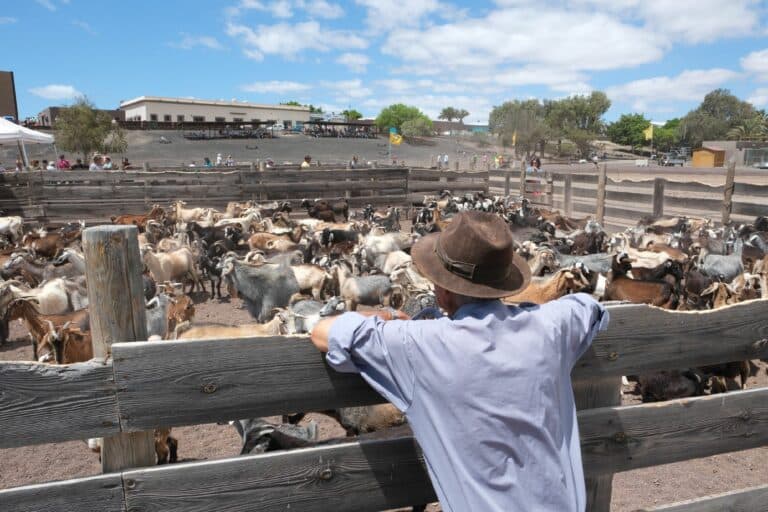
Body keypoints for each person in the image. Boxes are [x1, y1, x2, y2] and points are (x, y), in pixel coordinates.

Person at [310, 211, 608, 512]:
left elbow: (322, 331)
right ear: (504, 281)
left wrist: (387, 315)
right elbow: (589, 307)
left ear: (442, 290)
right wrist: (522, 313)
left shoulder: (418, 345)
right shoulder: (551, 326)